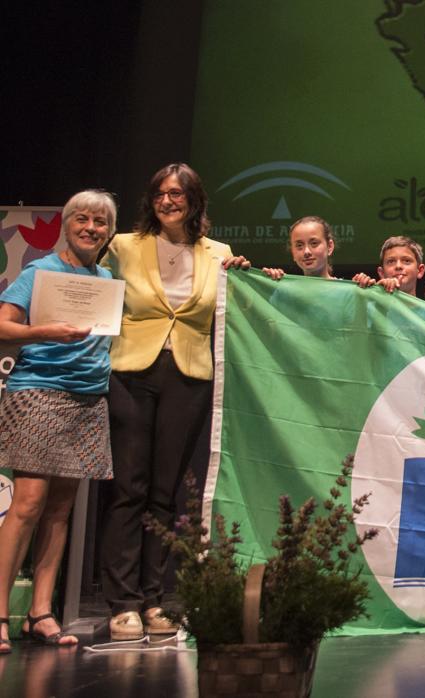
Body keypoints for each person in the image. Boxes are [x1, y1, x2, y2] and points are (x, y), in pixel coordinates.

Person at [101, 163, 251, 640]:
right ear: (151, 199)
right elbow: (88, 295)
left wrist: (252, 278)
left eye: (178, 194)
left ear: (194, 200)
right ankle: (122, 602)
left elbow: (240, 301)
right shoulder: (124, 247)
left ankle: (153, 599)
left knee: (166, 493)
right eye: (161, 194)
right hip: (131, 372)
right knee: (131, 487)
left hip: (188, 376)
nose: (169, 201)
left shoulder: (220, 253)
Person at [0, 190, 119, 651]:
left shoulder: (105, 277)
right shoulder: (39, 272)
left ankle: (41, 612)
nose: (92, 229)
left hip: (88, 400)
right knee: (28, 504)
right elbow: (4, 327)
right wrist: (42, 332)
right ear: (67, 224)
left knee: (60, 510)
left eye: (101, 223)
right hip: (39, 393)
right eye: (83, 220)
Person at [261, 215, 336, 280]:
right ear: (292, 252)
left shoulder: (346, 292)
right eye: (299, 245)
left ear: (329, 246)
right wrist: (270, 284)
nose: (306, 252)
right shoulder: (284, 289)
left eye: (314, 243)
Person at [352, 236, 425, 295]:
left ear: (420, 270)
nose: (398, 266)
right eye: (391, 261)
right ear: (381, 273)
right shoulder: (369, 305)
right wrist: (357, 296)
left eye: (406, 261)